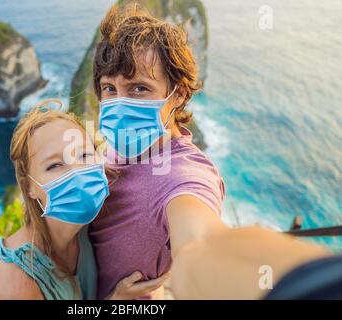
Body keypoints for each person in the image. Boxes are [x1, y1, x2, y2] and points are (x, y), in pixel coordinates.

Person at [89, 4, 334, 300]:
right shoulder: (120, 147)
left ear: (177, 95)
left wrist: (308, 285)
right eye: (109, 89)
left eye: (139, 88)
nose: (119, 104)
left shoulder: (183, 177)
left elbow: (200, 243)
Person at [0, 101, 169, 300]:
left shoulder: (93, 227)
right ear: (29, 186)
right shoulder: (14, 278)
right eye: (55, 165)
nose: (77, 173)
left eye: (84, 155)